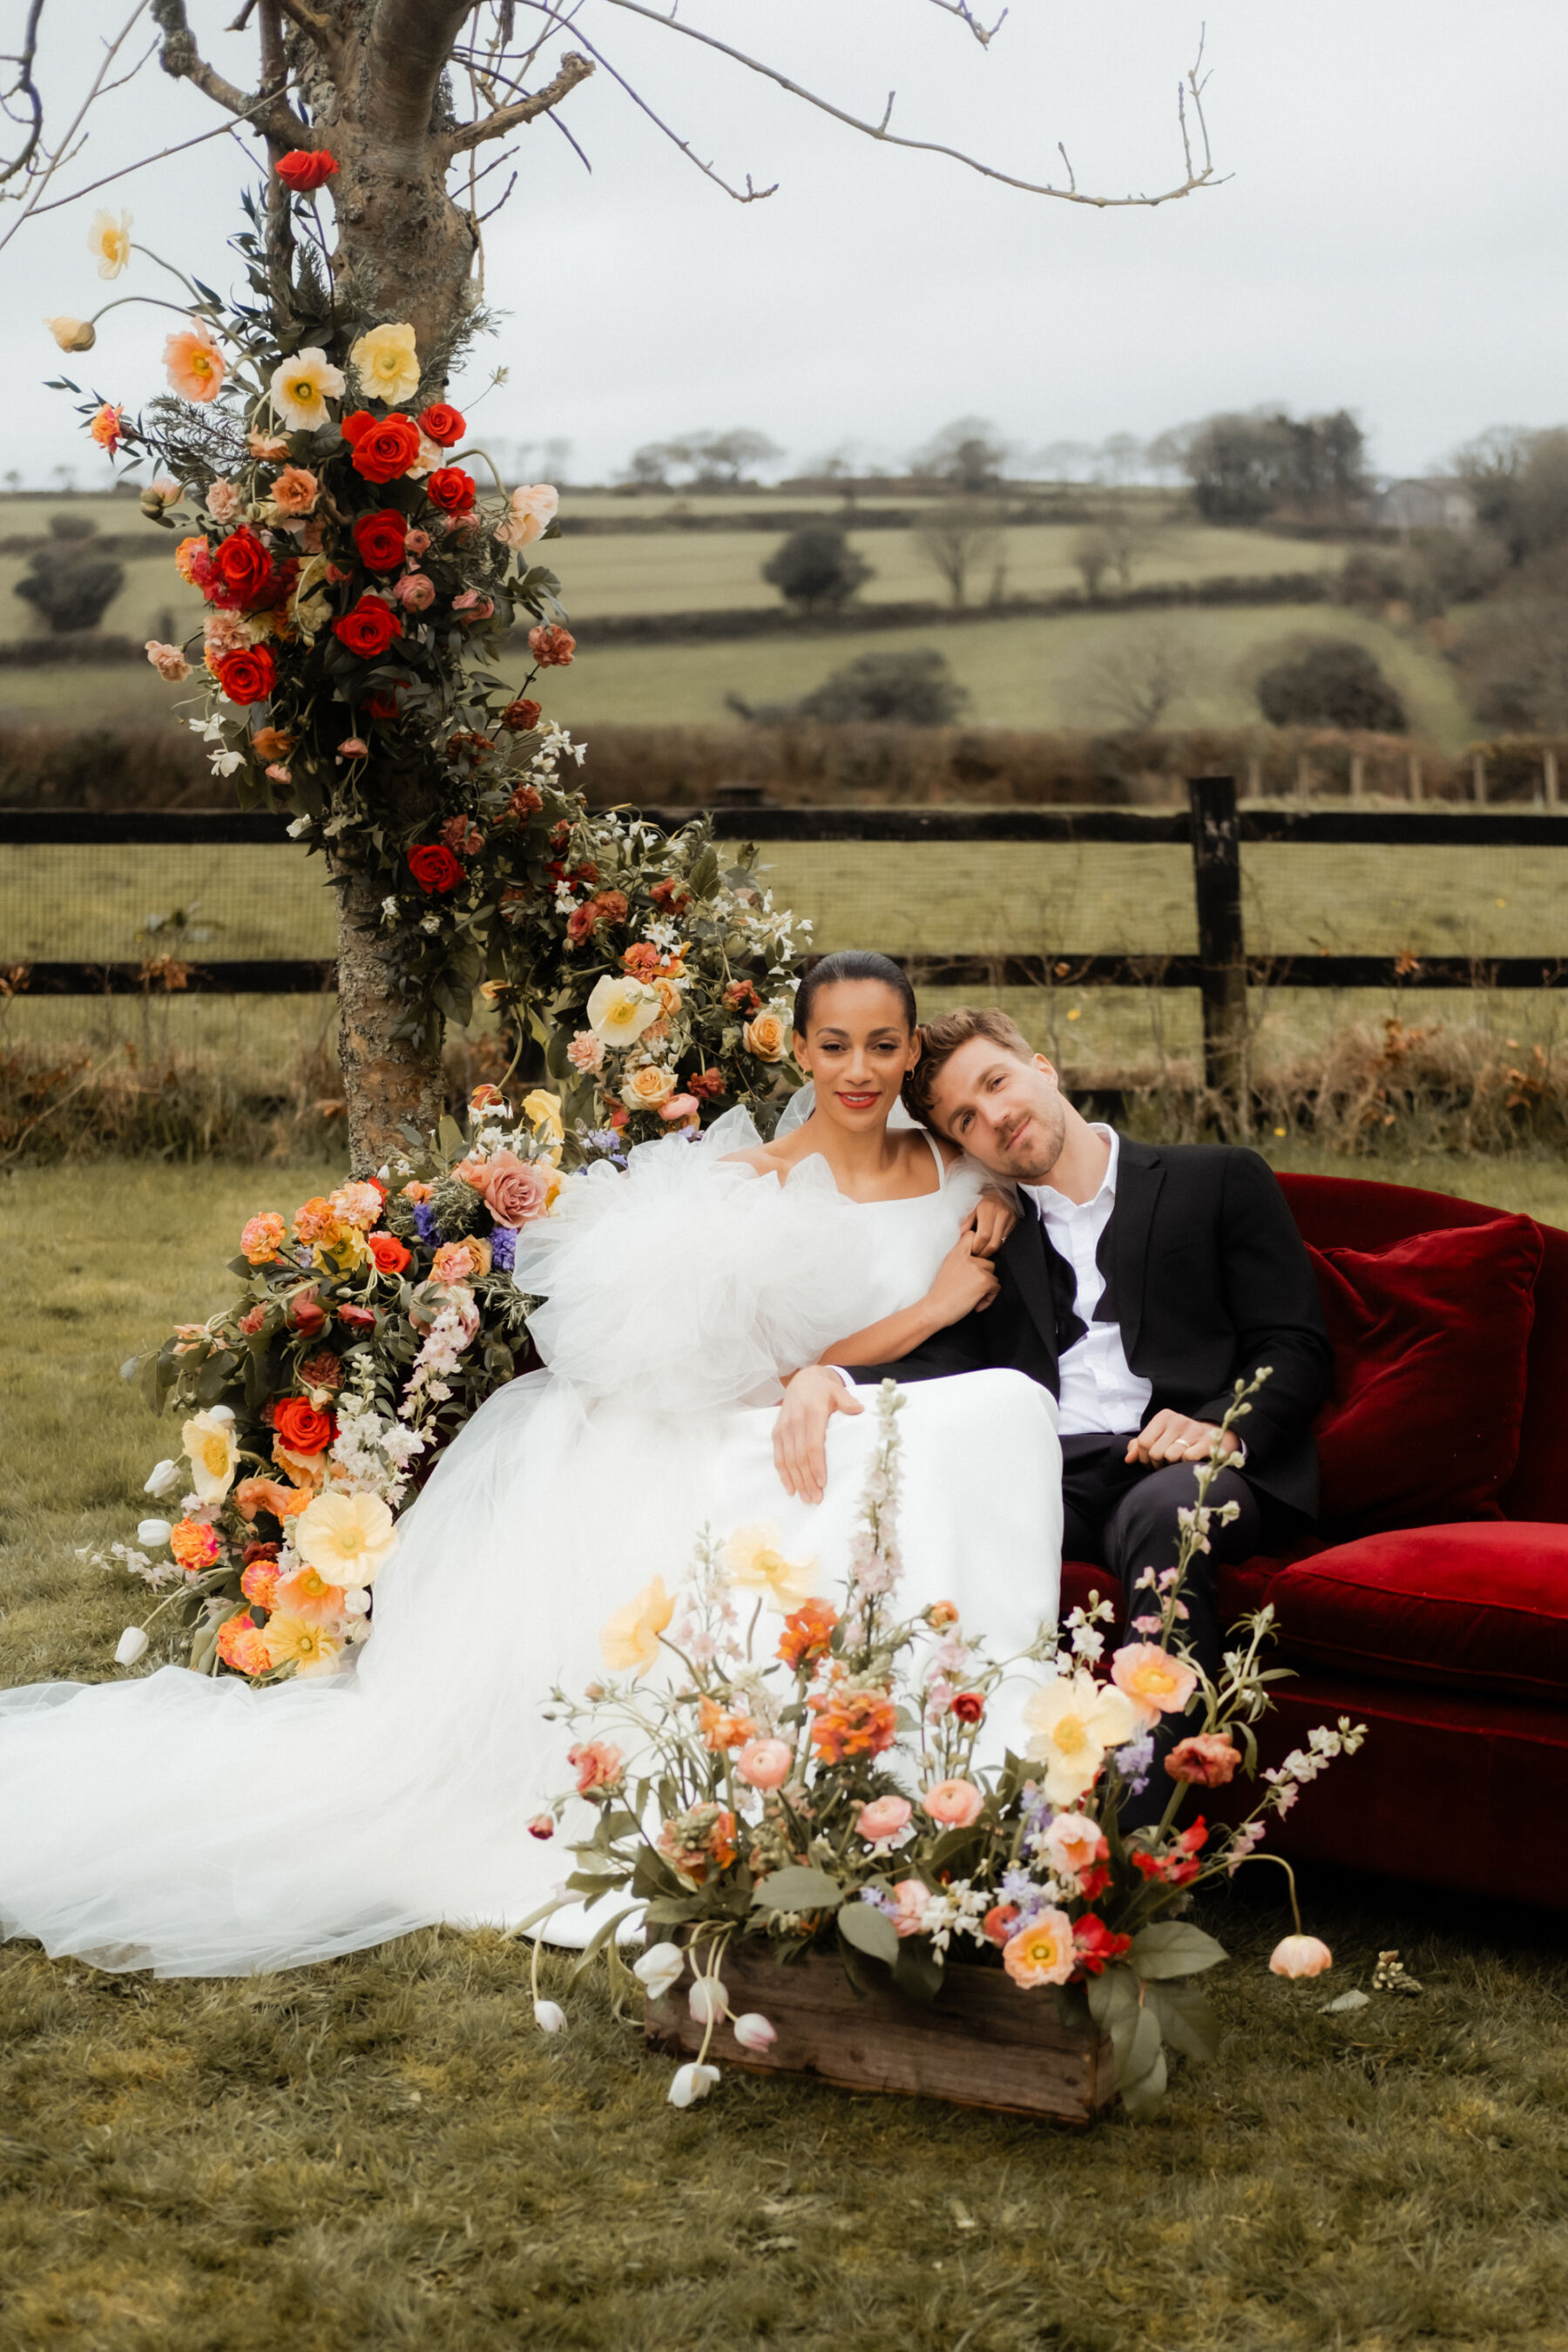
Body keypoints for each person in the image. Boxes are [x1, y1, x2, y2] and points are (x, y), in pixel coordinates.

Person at [0, 956, 1061, 1977]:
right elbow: (744, 1366)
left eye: (884, 1045)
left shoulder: (957, 1165)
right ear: (800, 1051)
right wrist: (919, 1314)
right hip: (777, 1419)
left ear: (913, 1045)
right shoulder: (758, 1183)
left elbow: (1027, 1191)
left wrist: (1001, 1209)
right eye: (835, 1045)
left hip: (895, 1412)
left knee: (988, 1422)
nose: (861, 1070)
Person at [776, 1005, 1333, 1796]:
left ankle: (1146, 1817)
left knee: (1167, 1510)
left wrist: (1220, 1428)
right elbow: (946, 1362)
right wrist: (823, 1379)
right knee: (919, 1506)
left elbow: (1294, 1344)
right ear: (961, 1145)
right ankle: (920, 1797)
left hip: (1183, 1466)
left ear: (1043, 1066)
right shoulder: (995, 1239)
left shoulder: (1216, 1179)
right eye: (966, 1117)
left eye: (997, 1083)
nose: (995, 1117)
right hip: (1049, 1470)